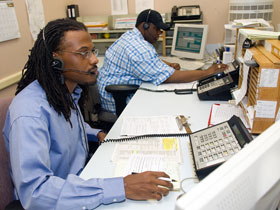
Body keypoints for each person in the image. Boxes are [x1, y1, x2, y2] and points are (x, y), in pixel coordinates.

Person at [3, 18, 173, 210]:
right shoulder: (30, 112)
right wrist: (122, 187)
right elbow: (36, 192)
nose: (93, 60)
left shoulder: (65, 92)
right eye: (83, 53)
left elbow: (65, 125)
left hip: (80, 180)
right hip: (55, 199)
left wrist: (96, 133)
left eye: (92, 51)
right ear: (55, 60)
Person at [97, 9, 228, 114]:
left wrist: (166, 64)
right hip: (118, 100)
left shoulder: (130, 37)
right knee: (171, 104)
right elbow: (171, 76)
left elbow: (145, 60)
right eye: (157, 29)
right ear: (145, 25)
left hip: (110, 93)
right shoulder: (139, 48)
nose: (159, 33)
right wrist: (207, 72)